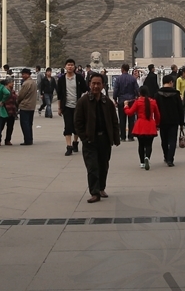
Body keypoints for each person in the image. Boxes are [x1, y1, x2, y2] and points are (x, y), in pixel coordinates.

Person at [74, 73, 120, 202]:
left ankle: (101, 188)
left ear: (103, 85)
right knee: (92, 166)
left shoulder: (107, 102)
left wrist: (115, 138)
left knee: (103, 165)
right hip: (90, 140)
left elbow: (114, 121)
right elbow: (77, 122)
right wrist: (84, 137)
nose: (95, 86)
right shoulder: (83, 101)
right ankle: (94, 192)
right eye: (93, 83)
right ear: (89, 84)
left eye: (98, 83)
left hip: (104, 139)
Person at [125, 89, 160, 169]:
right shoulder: (153, 102)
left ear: (139, 93)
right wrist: (157, 124)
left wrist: (126, 106)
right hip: (150, 125)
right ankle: (147, 157)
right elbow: (157, 115)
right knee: (149, 144)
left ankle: (142, 162)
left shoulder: (137, 102)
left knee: (141, 145)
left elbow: (130, 112)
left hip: (140, 125)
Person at [156, 78, 184, 167]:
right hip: (174, 120)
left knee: (164, 140)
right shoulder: (176, 94)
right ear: (171, 82)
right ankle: (170, 159)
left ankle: (165, 155)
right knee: (172, 140)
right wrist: (182, 121)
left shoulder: (157, 94)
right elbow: (180, 108)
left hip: (162, 120)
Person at [59, 58, 84, 155]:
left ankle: (75, 142)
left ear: (75, 67)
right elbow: (60, 95)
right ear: (65, 67)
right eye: (68, 65)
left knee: (77, 126)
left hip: (77, 106)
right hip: (66, 106)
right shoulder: (61, 79)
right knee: (68, 126)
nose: (70, 67)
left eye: (72, 65)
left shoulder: (79, 78)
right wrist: (59, 108)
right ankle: (68, 147)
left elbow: (85, 89)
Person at [112, 62, 139, 138]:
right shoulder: (133, 78)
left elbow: (116, 90)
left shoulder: (118, 79)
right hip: (131, 100)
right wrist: (137, 96)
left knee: (122, 119)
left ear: (122, 69)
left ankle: (123, 135)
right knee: (131, 119)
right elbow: (136, 89)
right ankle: (131, 135)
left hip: (122, 100)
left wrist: (115, 99)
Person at [15, 68, 39, 145]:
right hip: (31, 105)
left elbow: (21, 95)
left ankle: (27, 140)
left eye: (23, 74)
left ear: (27, 74)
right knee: (29, 123)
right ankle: (30, 138)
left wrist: (17, 101)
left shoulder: (26, 83)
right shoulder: (33, 83)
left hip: (25, 105)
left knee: (24, 123)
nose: (22, 76)